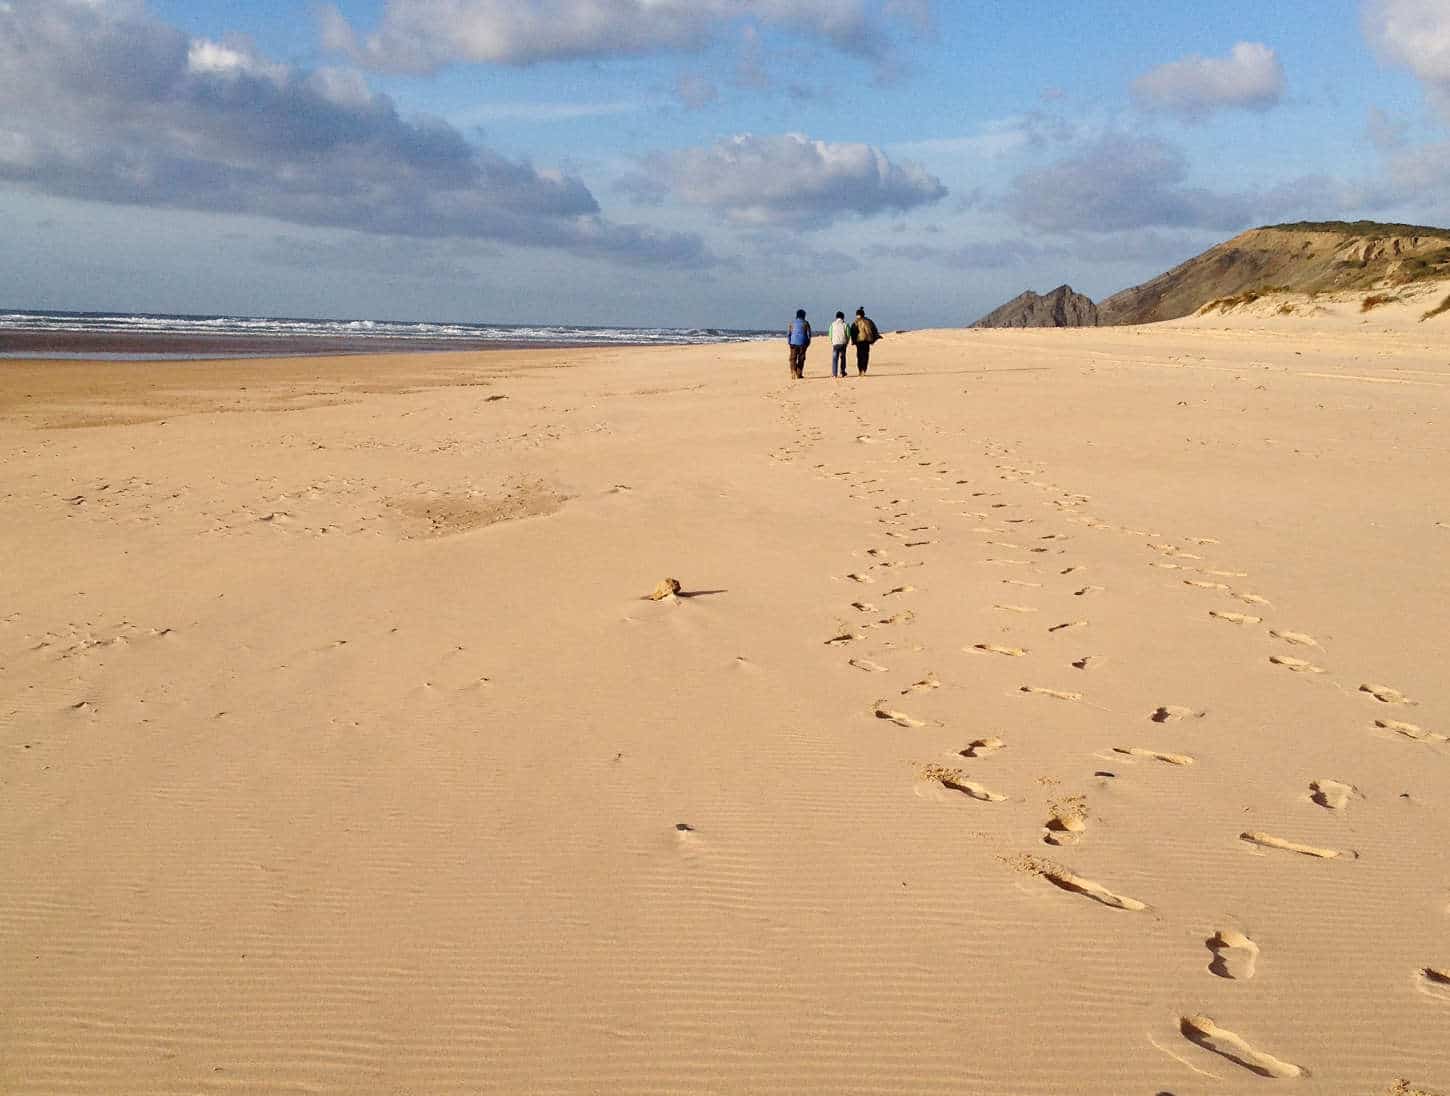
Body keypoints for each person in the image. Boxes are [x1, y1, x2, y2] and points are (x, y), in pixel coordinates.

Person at [850, 306, 879, 375]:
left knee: (859, 356)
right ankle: (864, 369)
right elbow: (874, 330)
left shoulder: (855, 322)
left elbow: (853, 332)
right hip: (866, 341)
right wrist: (873, 339)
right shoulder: (869, 321)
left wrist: (853, 341)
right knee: (865, 355)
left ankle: (860, 370)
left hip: (859, 341)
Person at [786, 308, 811, 379]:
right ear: (804, 316)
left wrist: (789, 342)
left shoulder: (792, 323)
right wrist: (808, 342)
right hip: (803, 342)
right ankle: (799, 374)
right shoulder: (806, 323)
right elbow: (809, 334)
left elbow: (789, 334)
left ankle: (793, 370)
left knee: (792, 358)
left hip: (793, 343)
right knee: (801, 359)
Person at [828, 311, 849, 378]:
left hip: (835, 343)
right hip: (843, 343)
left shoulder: (832, 324)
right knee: (843, 357)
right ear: (843, 317)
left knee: (835, 358)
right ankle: (842, 372)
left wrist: (832, 341)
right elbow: (848, 334)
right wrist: (847, 342)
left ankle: (834, 373)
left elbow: (830, 334)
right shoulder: (845, 324)